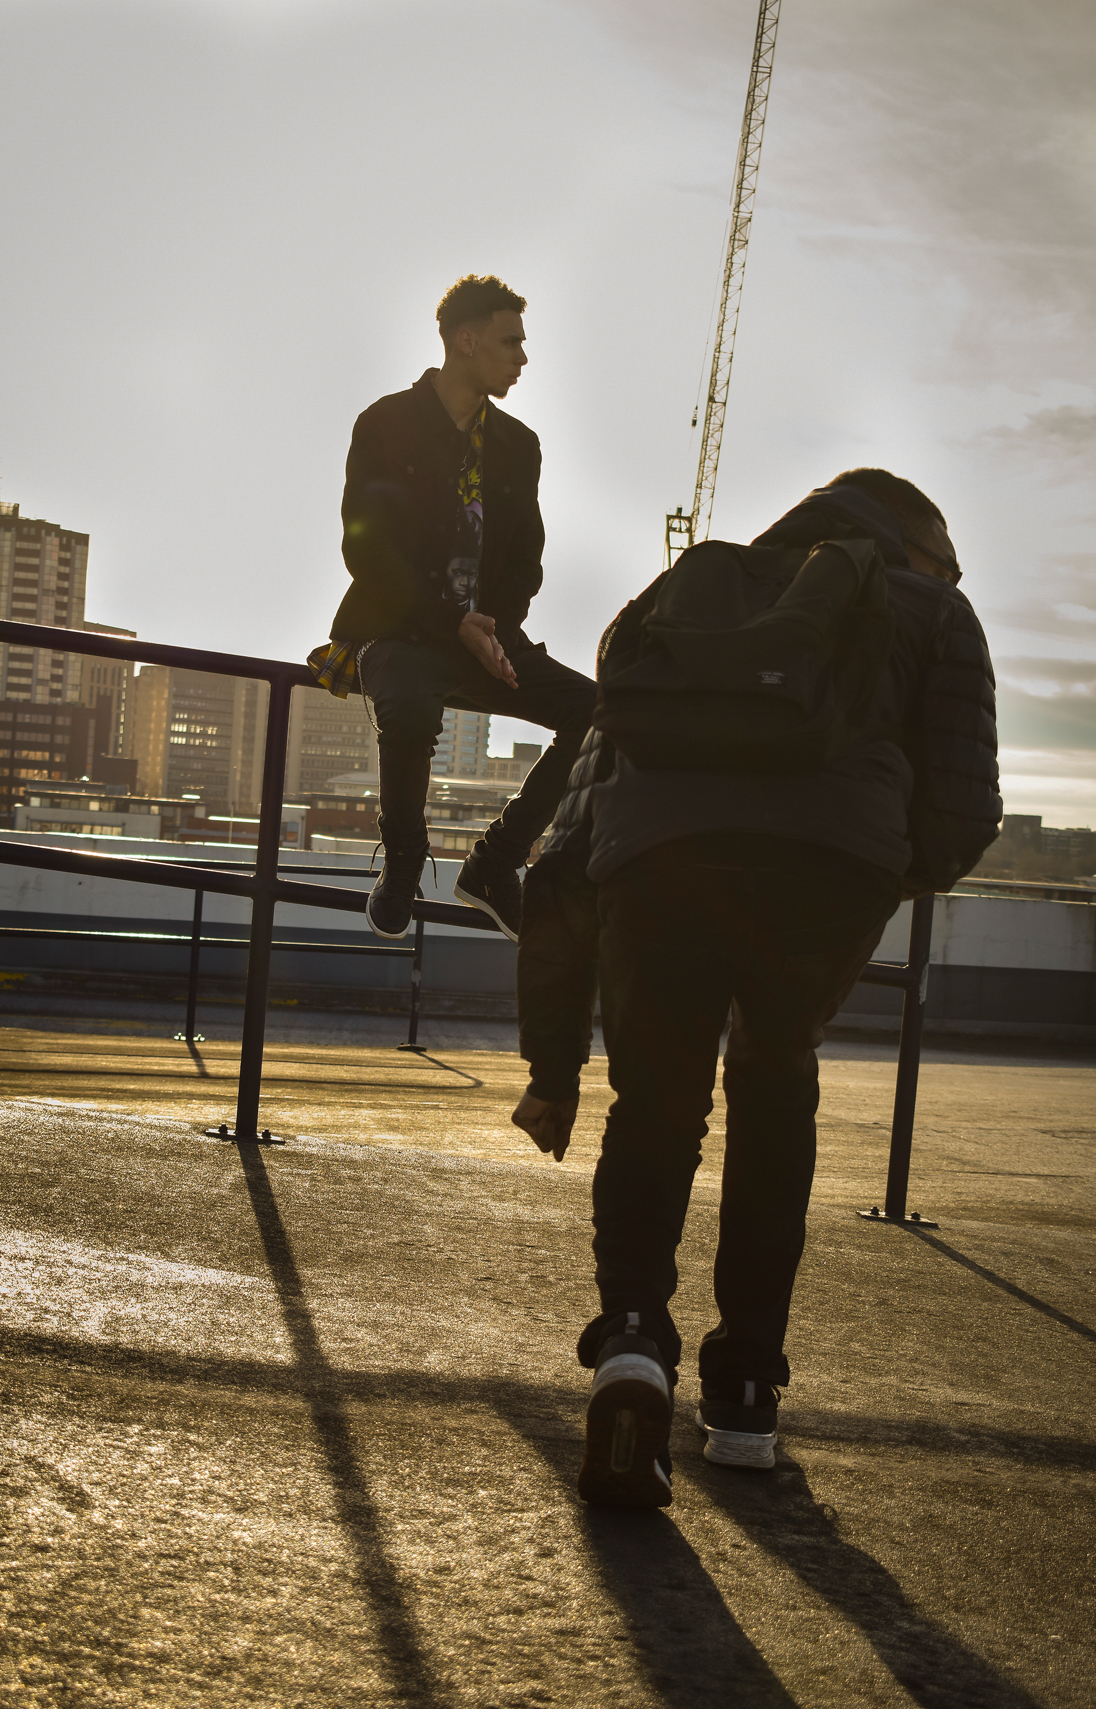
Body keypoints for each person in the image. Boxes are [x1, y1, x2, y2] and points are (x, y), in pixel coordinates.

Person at [510, 470, 1002, 1507]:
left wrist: (554, 1063)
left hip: (658, 866)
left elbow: (573, 833)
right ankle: (743, 1396)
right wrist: (870, 855)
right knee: (775, 1086)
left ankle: (634, 1350)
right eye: (945, 560)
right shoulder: (930, 608)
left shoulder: (689, 593)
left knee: (658, 1106)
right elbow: (963, 813)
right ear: (914, 548)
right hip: (830, 878)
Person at [309, 275, 597, 943]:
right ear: (467, 341)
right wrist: (454, 625)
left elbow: (528, 554)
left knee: (597, 714)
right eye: (510, 342)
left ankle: (495, 865)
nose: (523, 357)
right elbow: (368, 551)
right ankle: (406, 863)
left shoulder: (519, 445)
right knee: (409, 710)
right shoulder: (385, 423)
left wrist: (492, 625)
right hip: (397, 631)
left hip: (486, 637)